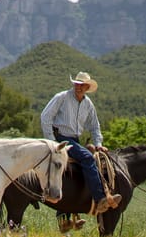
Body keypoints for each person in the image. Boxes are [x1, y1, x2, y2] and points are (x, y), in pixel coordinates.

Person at [41, 71, 122, 219]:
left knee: (85, 162)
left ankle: (64, 213)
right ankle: (99, 198)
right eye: (77, 84)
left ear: (87, 87)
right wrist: (52, 142)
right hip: (60, 138)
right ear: (74, 84)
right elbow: (45, 117)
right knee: (88, 159)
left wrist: (98, 144)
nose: (78, 87)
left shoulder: (88, 104)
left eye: (82, 85)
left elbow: (94, 126)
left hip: (74, 140)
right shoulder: (62, 97)